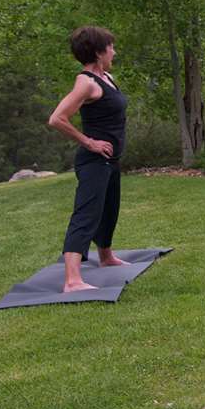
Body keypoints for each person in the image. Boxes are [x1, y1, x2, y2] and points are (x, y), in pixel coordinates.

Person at [48, 26, 129, 293]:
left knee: (109, 210)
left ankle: (105, 257)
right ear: (98, 52)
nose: (114, 51)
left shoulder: (107, 77)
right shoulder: (86, 82)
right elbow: (57, 118)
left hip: (111, 159)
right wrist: (89, 142)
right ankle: (72, 280)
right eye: (110, 47)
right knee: (86, 215)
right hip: (94, 161)